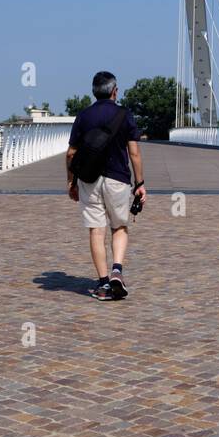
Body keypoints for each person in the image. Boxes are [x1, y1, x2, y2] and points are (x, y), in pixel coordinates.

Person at [66, 72, 146, 300]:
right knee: (119, 227)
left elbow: (71, 153)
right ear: (115, 91)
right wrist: (139, 183)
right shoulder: (125, 115)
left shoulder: (84, 116)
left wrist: (71, 181)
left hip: (89, 180)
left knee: (96, 230)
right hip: (118, 179)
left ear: (94, 91)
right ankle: (117, 271)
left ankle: (103, 285)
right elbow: (134, 152)